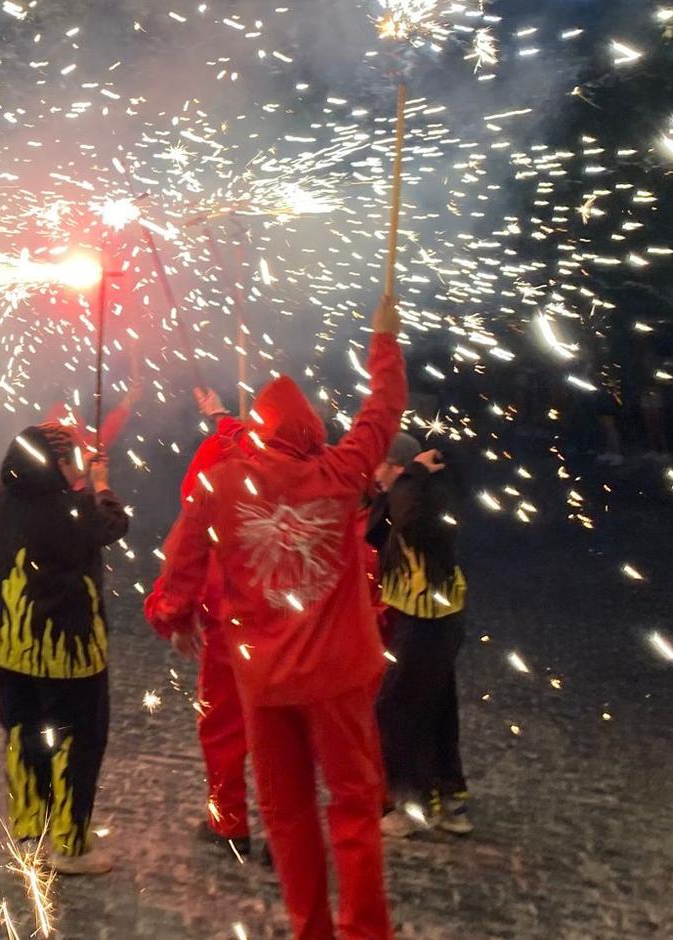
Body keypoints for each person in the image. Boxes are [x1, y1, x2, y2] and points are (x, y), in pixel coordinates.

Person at [201, 293, 406, 940]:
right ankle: (364, 931)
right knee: (352, 808)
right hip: (337, 680)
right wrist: (383, 341)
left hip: (264, 683)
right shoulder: (343, 472)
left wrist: (170, 608)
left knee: (286, 816)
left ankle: (309, 929)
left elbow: (186, 540)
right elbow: (384, 408)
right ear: (312, 429)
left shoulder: (232, 480)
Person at [0, 418, 130, 875]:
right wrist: (101, 482)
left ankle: (28, 833)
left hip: (3, 644)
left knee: (23, 734)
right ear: (58, 463)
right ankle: (70, 846)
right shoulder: (75, 508)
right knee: (76, 742)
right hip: (62, 652)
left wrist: (82, 482)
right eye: (73, 458)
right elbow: (113, 522)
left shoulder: (3, 495)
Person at [144, 383, 257, 858]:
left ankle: (230, 822)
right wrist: (220, 413)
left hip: (233, 636)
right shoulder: (293, 468)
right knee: (288, 735)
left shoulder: (215, 500)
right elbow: (242, 439)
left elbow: (185, 567)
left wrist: (171, 619)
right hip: (298, 634)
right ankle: (293, 830)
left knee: (225, 729)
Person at [367, 434, 469, 839]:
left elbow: (407, 520)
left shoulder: (424, 498)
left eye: (380, 466)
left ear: (397, 466)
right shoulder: (411, 493)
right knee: (436, 706)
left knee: (396, 710)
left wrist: (412, 475)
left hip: (430, 619)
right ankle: (450, 800)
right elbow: (376, 526)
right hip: (429, 618)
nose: (373, 475)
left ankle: (414, 804)